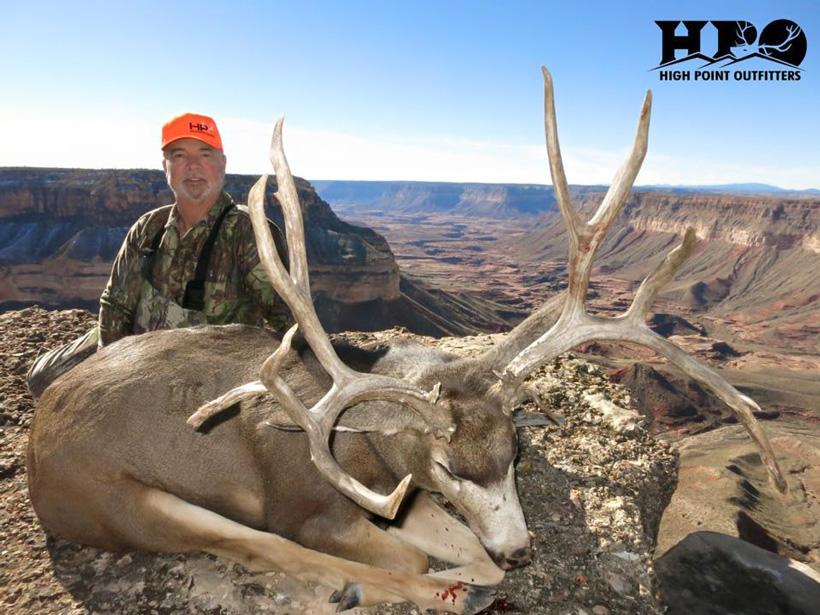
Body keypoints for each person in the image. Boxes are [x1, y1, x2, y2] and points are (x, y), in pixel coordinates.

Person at [26, 113, 292, 398]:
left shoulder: (249, 232)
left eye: (205, 154)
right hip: (133, 350)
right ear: (165, 166)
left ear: (222, 164)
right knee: (43, 377)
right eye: (179, 156)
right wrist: (110, 372)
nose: (193, 166)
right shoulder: (148, 227)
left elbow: (286, 322)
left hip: (205, 367)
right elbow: (116, 304)